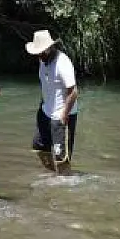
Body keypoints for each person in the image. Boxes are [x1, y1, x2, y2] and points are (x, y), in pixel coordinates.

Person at [25, 29, 79, 175]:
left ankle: (65, 179)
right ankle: (53, 175)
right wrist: (42, 104)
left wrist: (64, 115)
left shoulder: (63, 62)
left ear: (49, 48)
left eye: (41, 52)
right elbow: (45, 84)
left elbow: (73, 92)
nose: (38, 55)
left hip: (61, 115)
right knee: (39, 148)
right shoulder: (43, 61)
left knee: (61, 157)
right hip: (45, 112)